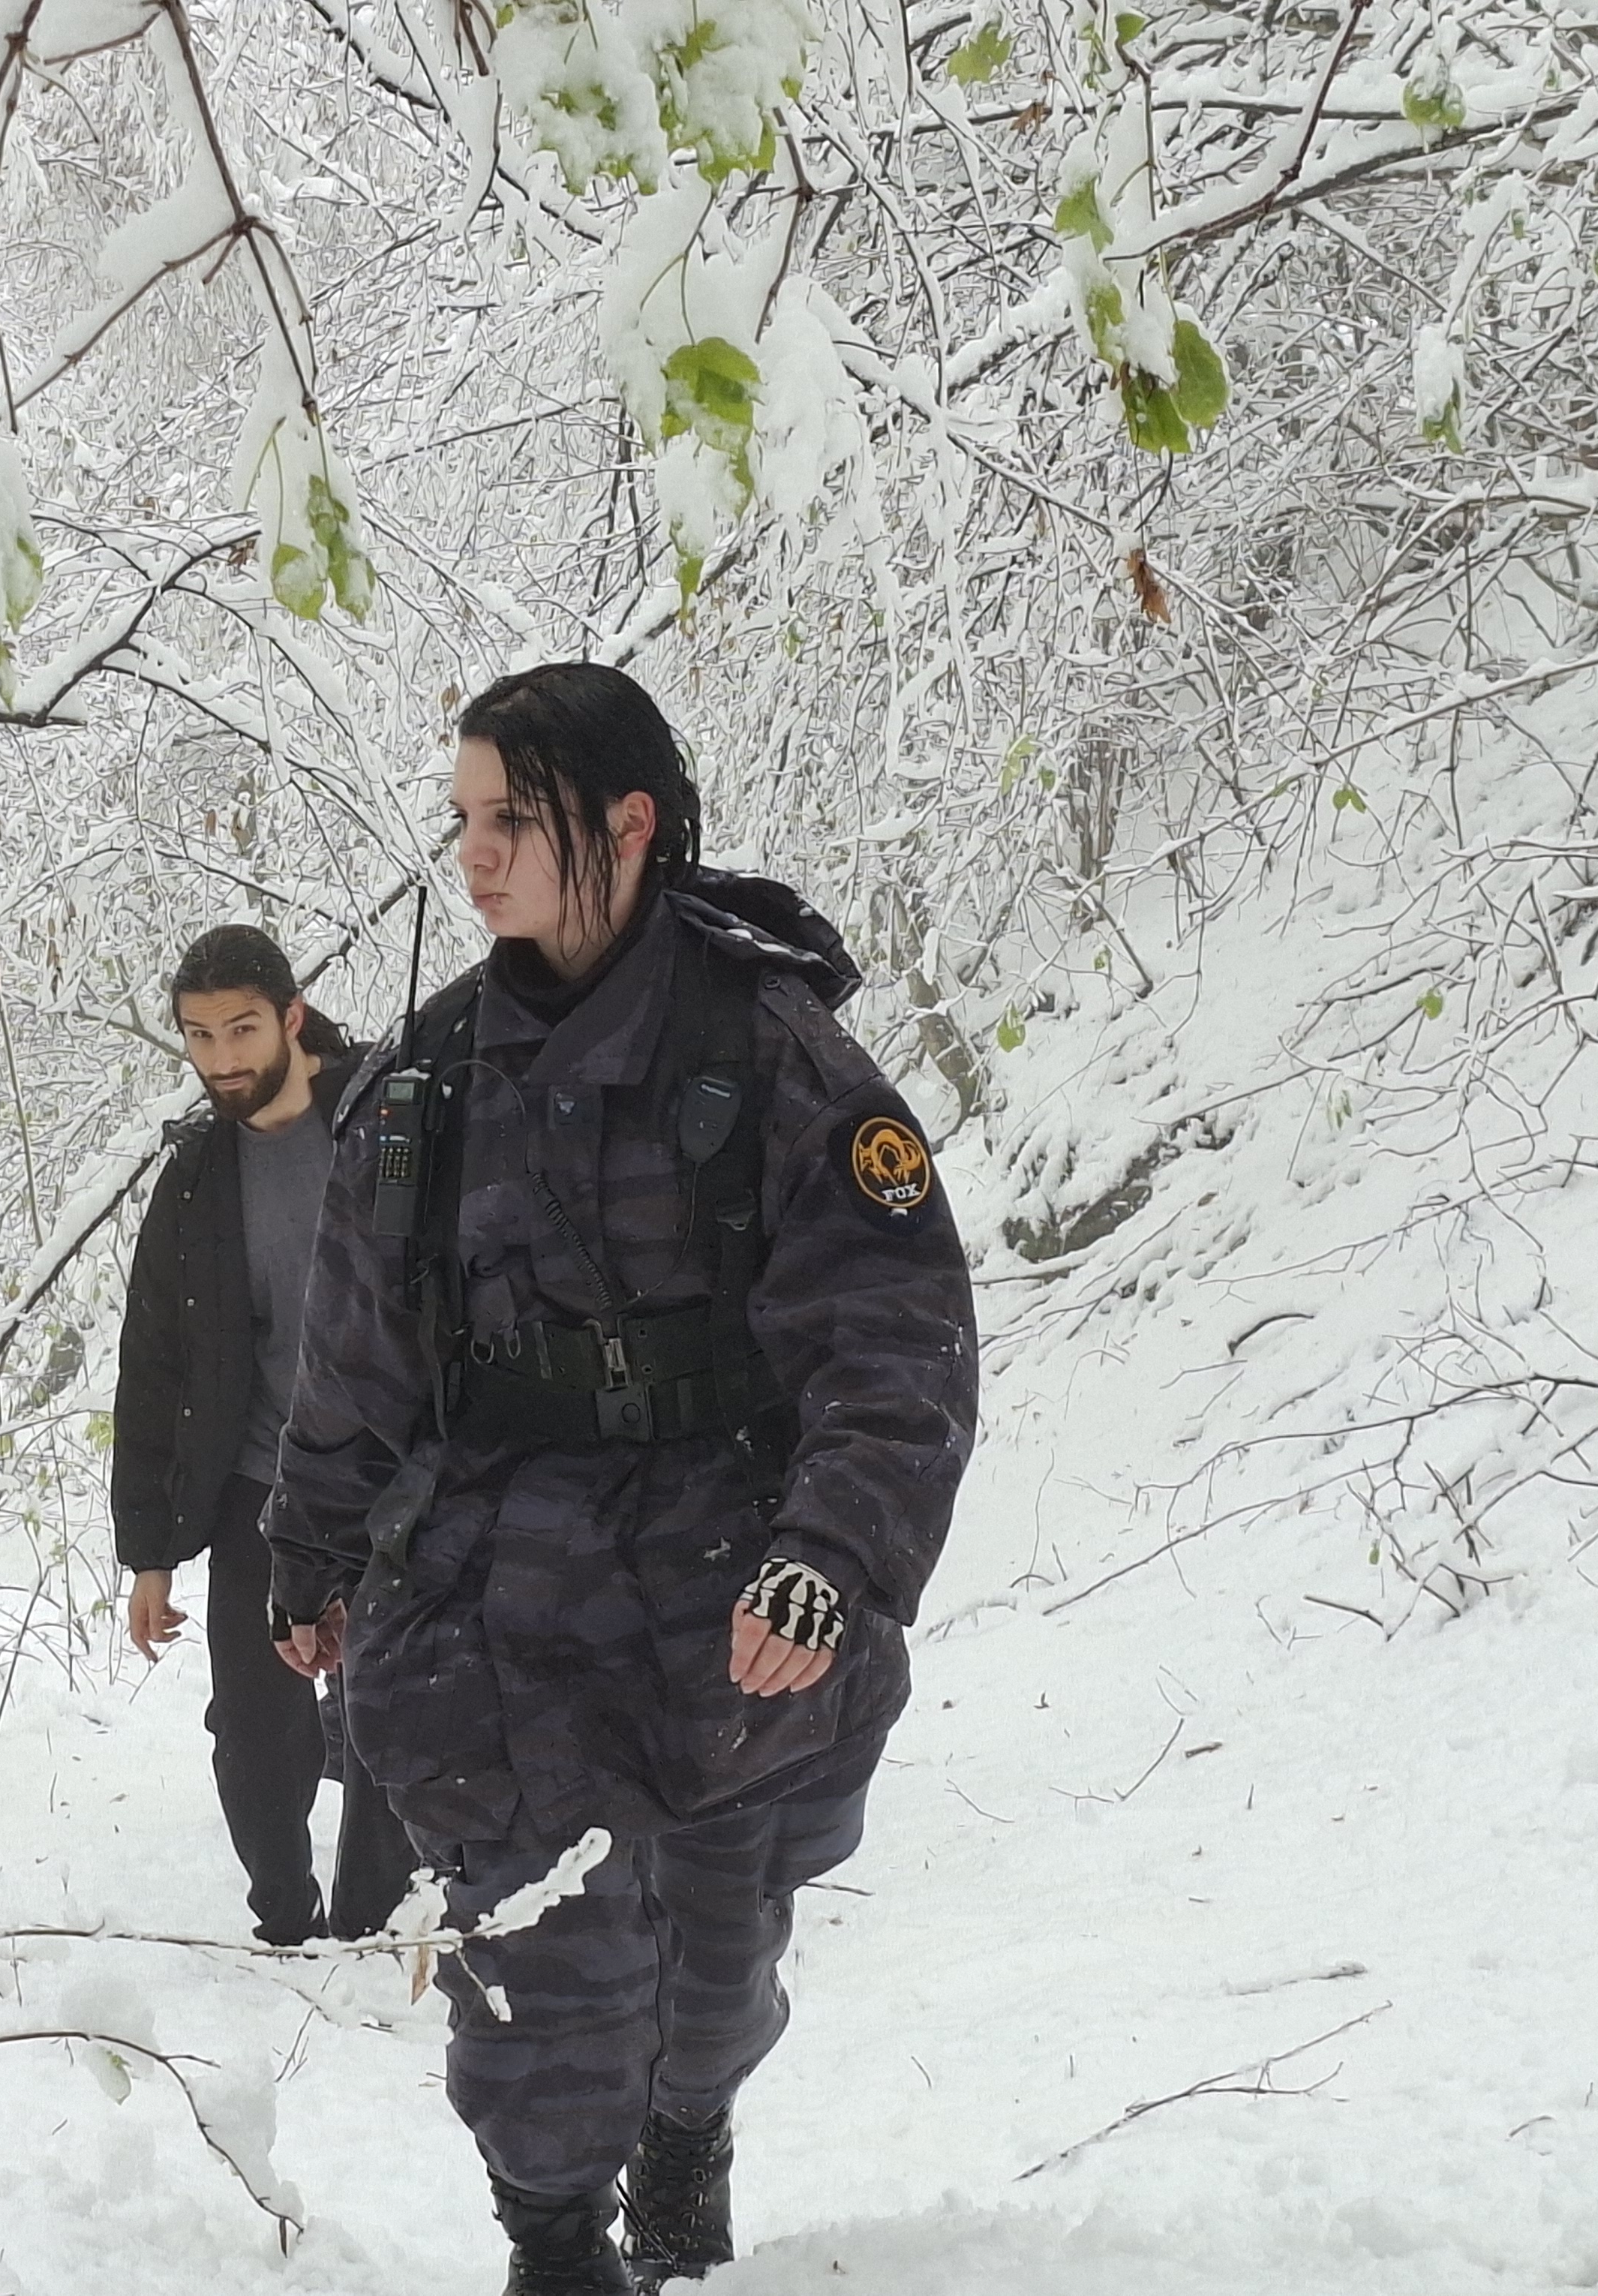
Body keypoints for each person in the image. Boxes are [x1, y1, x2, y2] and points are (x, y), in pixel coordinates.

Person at [263, 665, 978, 2292]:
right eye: (465, 820)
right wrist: (308, 1542)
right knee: (536, 1967)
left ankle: (691, 2122)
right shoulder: (432, 1078)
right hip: (494, 1605)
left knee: (713, 1974)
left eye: (513, 818)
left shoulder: (779, 1061)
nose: (477, 855)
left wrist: (834, 1557)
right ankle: (554, 2237)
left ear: (630, 825)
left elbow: (896, 1343)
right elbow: (358, 1338)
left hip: (730, 1596)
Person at [111, 926, 417, 1947]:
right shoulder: (198, 1175)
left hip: (394, 1475)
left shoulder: (389, 1118)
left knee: (386, 1706)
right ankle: (285, 1921)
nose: (222, 1059)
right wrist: (149, 1551)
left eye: (242, 1029)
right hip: (260, 1485)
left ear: (291, 1017)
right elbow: (153, 1362)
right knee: (255, 1734)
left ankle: (371, 1925)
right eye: (199, 1037)